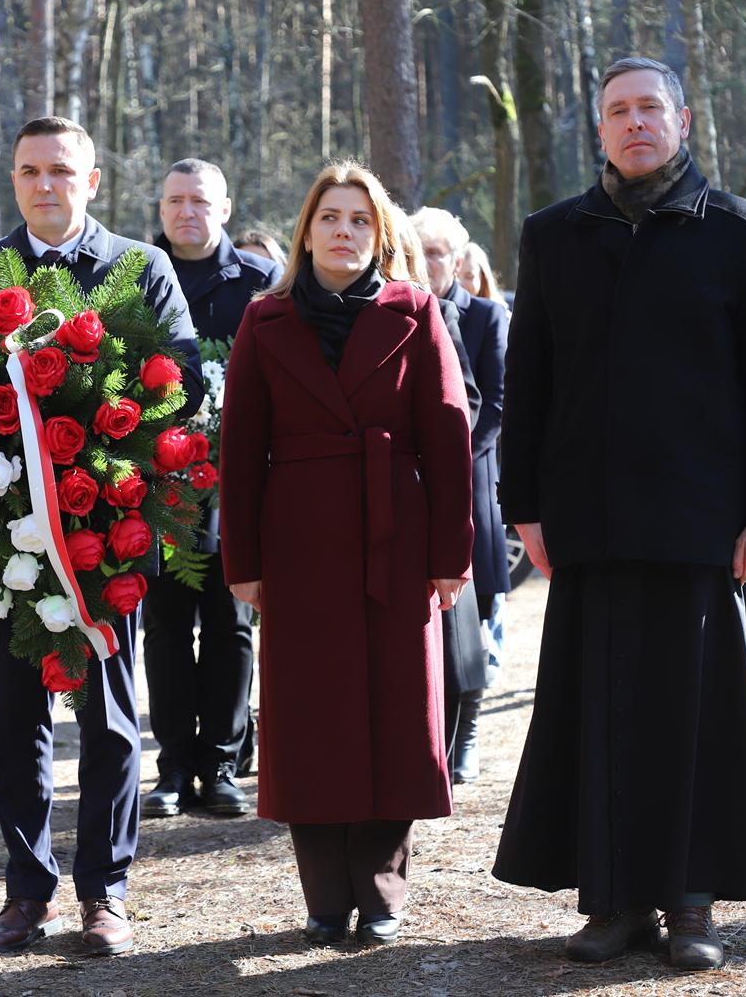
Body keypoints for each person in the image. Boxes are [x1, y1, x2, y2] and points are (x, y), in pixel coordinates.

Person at [492, 56, 746, 971]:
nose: (635, 123)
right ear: (600, 129)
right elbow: (529, 380)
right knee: (598, 714)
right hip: (588, 525)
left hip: (698, 523)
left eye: (650, 108)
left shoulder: (745, 232)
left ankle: (691, 905)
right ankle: (614, 903)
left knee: (693, 719)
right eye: (618, 111)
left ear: (682, 120)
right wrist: (525, 507)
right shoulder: (555, 235)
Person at [0, 116, 203, 957]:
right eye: (28, 171)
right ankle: (27, 891)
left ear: (91, 180)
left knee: (110, 719)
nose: (44, 184)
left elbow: (184, 384)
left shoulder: (140, 267)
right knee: (19, 719)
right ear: (13, 179)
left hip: (109, 536)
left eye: (59, 169)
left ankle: (104, 892)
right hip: (11, 536)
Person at [218, 162, 474, 946]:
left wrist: (450, 555)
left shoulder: (416, 311)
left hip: (395, 538)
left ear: (381, 234)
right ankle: (326, 897)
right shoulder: (264, 319)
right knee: (310, 715)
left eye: (360, 219)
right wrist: (244, 561)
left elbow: (449, 436)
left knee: (397, 711)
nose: (343, 231)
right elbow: (240, 447)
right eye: (329, 217)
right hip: (299, 544)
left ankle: (384, 890)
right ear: (306, 232)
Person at [141, 159, 279, 820]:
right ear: (160, 209)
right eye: (174, 201)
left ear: (224, 209)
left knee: (231, 624)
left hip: (237, 487)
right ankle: (173, 766)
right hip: (157, 487)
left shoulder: (260, 283)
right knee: (165, 628)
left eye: (199, 201)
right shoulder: (136, 278)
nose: (185, 212)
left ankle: (222, 765)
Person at [411, 206, 511, 784]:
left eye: (436, 253)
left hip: (469, 480)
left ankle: (465, 736)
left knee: (473, 623)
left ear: (457, 259)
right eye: (418, 251)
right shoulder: (398, 311)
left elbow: (493, 403)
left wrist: (446, 461)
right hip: (409, 490)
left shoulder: (485, 316)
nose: (426, 262)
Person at [395, 211, 489, 782]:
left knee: (453, 641)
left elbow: (466, 403)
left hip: (431, 490)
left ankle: (448, 749)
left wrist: (427, 453)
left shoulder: (437, 313)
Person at [456, 241, 508, 307]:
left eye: (469, 276)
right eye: (455, 276)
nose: (460, 283)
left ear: (482, 277)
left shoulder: (499, 311)